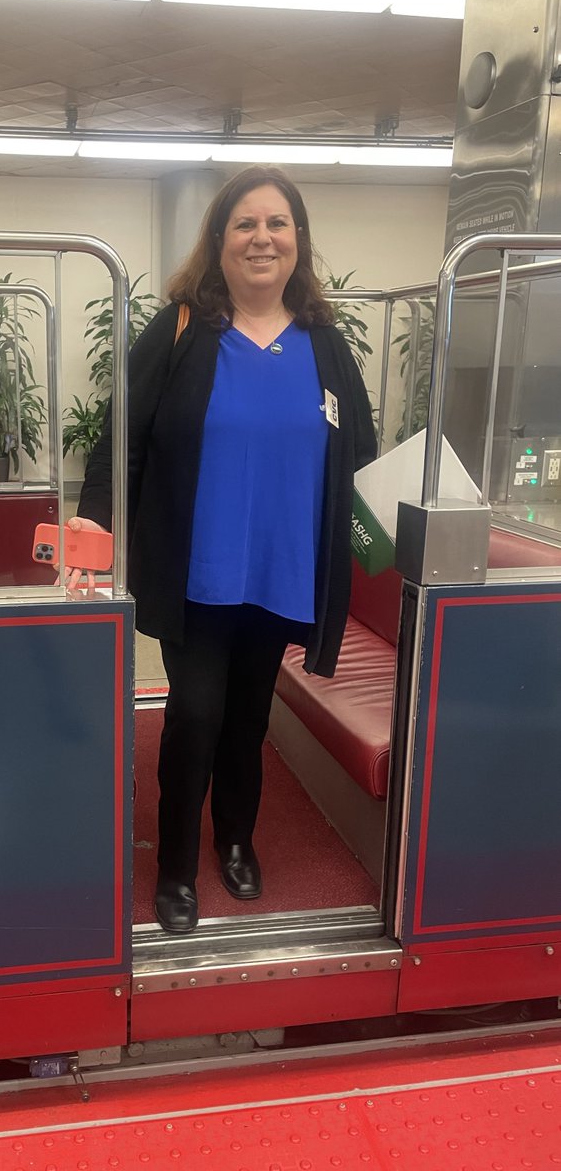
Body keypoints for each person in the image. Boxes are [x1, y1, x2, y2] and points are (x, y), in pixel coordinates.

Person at [69, 165, 377, 935]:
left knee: (248, 719)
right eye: (245, 224)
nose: (262, 238)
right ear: (219, 239)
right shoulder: (179, 330)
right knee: (195, 714)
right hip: (197, 572)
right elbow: (120, 438)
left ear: (298, 241)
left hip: (282, 572)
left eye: (277, 223)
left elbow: (361, 454)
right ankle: (176, 864)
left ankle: (235, 839)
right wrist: (94, 530)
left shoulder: (327, 345)